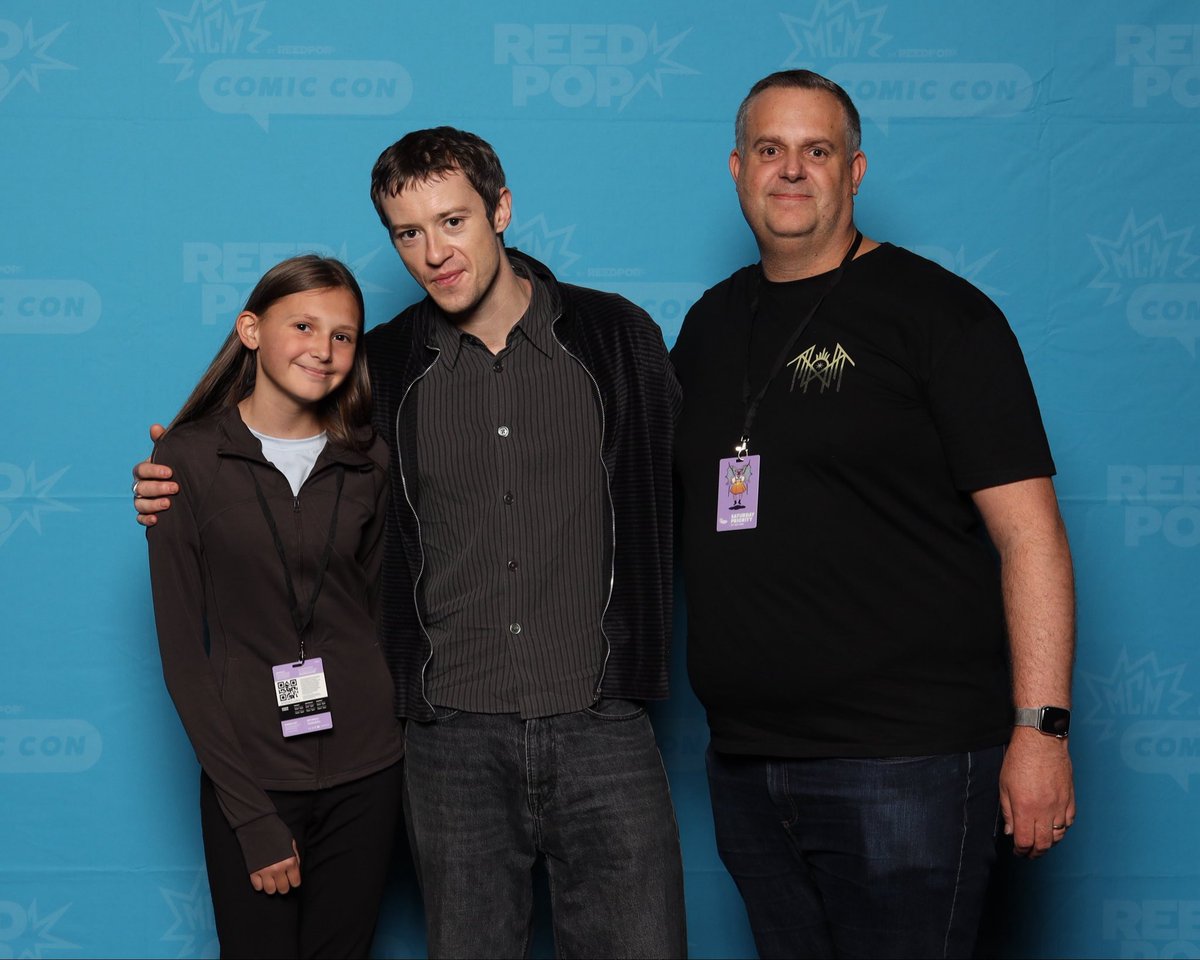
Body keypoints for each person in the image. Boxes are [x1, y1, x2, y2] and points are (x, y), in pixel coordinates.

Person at [135, 128, 686, 959]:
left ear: (501, 211)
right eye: (408, 233)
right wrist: (180, 473)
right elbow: (280, 449)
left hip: (602, 720)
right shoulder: (381, 365)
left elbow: (693, 477)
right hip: (447, 736)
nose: (435, 252)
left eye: (453, 221)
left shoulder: (616, 340)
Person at [670, 70, 1076, 958]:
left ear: (855, 171)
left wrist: (1041, 733)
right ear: (737, 169)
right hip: (745, 762)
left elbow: (1031, 537)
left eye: (817, 151)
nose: (791, 171)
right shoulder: (707, 325)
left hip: (908, 765)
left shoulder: (941, 316)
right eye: (770, 151)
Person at [145, 255, 402, 959]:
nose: (323, 349)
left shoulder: (370, 461)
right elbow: (181, 659)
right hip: (252, 776)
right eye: (304, 325)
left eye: (344, 335)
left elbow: (377, 617)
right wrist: (252, 816)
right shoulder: (184, 464)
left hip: (369, 773)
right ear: (251, 330)